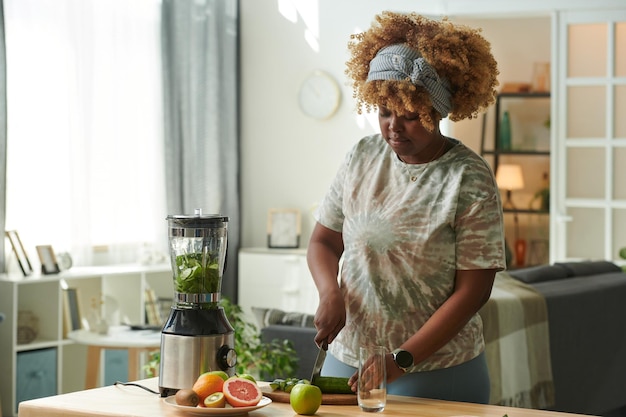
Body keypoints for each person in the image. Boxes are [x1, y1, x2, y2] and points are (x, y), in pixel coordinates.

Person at [307, 11, 505, 404]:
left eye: (411, 116)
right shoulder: (362, 156)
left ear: (438, 111)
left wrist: (401, 359)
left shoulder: (468, 177)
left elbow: (474, 291)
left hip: (434, 370)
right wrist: (330, 292)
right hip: (346, 359)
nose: (393, 127)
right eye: (384, 112)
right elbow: (323, 242)